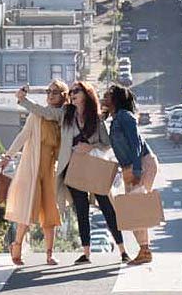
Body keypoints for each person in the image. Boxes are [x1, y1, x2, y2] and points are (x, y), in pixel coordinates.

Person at [16, 81, 129, 265]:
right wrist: (23, 100)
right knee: (81, 210)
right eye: (72, 91)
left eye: (77, 91)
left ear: (86, 94)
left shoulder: (96, 118)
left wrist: (89, 146)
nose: (73, 93)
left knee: (107, 207)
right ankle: (86, 253)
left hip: (93, 167)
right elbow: (44, 112)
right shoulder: (65, 114)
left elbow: (107, 143)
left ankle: (123, 251)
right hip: (72, 168)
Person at [1, 80, 69, 266]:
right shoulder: (37, 115)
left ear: (63, 95)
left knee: (50, 212)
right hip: (32, 168)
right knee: (28, 209)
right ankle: (17, 246)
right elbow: (23, 135)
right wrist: (8, 155)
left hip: (50, 171)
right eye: (48, 91)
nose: (50, 95)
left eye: (55, 92)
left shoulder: (63, 116)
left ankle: (49, 254)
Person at [103, 84, 160, 265]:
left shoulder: (125, 117)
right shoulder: (115, 119)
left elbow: (135, 144)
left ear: (116, 99)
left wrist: (136, 170)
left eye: (107, 95)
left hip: (142, 163)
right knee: (133, 210)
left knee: (136, 209)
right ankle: (144, 250)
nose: (104, 97)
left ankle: (145, 251)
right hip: (130, 167)